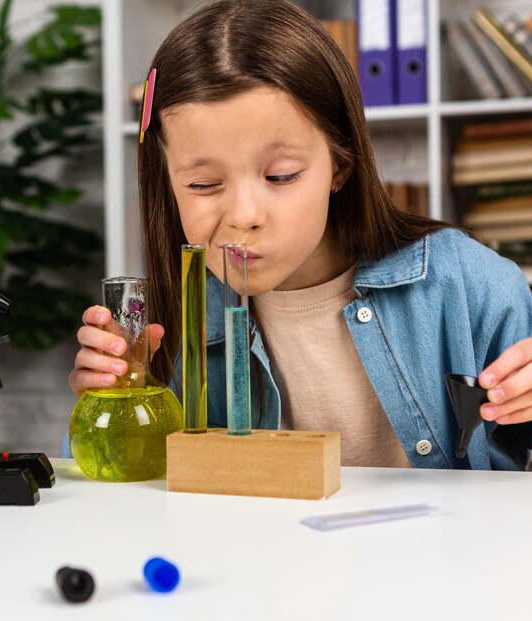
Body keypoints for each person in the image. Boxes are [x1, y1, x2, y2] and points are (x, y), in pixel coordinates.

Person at [68, 0, 532, 470]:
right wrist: (112, 406)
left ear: (341, 165)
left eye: (282, 175)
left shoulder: (474, 286)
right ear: (167, 183)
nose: (244, 216)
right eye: (203, 185)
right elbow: (133, 501)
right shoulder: (166, 324)